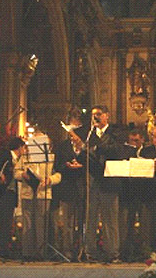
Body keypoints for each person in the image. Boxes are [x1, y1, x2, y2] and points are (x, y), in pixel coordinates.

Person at [73, 105, 121, 263]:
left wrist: (95, 145)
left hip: (109, 180)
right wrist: (80, 151)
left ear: (107, 115)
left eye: (99, 114)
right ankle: (90, 251)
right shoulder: (89, 134)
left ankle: (112, 253)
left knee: (110, 220)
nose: (95, 118)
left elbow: (115, 151)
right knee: (90, 218)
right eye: (93, 115)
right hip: (93, 181)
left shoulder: (115, 132)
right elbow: (86, 159)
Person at [20, 133, 61, 261]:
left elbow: (59, 174)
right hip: (28, 192)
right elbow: (16, 172)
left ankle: (41, 252)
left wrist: (50, 179)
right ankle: (28, 252)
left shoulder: (52, 158)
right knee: (28, 223)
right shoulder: (26, 156)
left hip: (43, 193)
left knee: (41, 223)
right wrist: (23, 175)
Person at [0, 137, 26, 259]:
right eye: (24, 147)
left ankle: (3, 250)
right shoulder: (5, 155)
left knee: (6, 223)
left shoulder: (20, 160)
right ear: (19, 147)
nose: (25, 150)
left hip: (10, 194)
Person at [52, 111, 86, 261]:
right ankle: (67, 250)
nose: (73, 132)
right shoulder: (63, 146)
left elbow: (94, 165)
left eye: (77, 127)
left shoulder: (86, 147)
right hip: (67, 188)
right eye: (71, 128)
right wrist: (67, 166)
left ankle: (82, 251)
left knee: (82, 222)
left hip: (83, 188)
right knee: (67, 223)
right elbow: (57, 166)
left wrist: (82, 165)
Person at [118, 129, 145, 261]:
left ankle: (143, 251)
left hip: (144, 193)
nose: (133, 144)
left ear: (142, 140)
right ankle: (127, 251)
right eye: (130, 141)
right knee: (127, 224)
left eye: (136, 141)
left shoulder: (147, 152)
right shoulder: (124, 152)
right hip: (128, 193)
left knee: (144, 224)